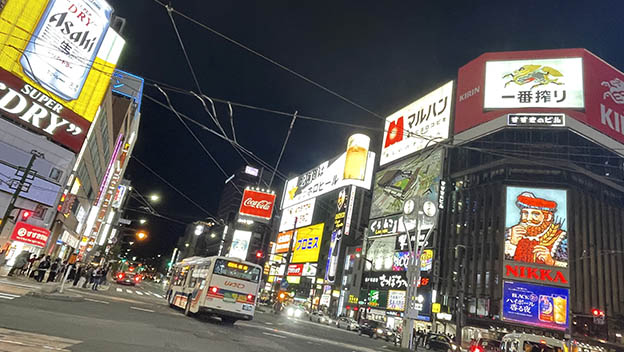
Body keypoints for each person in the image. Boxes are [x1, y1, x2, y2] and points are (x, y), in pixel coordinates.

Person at [505, 191, 567, 266]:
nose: (528, 219)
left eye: (535, 214)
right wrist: (512, 243)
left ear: (548, 217)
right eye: (525, 213)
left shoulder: (561, 238)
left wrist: (551, 262)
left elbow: (570, 266)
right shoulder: (510, 234)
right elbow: (501, 263)